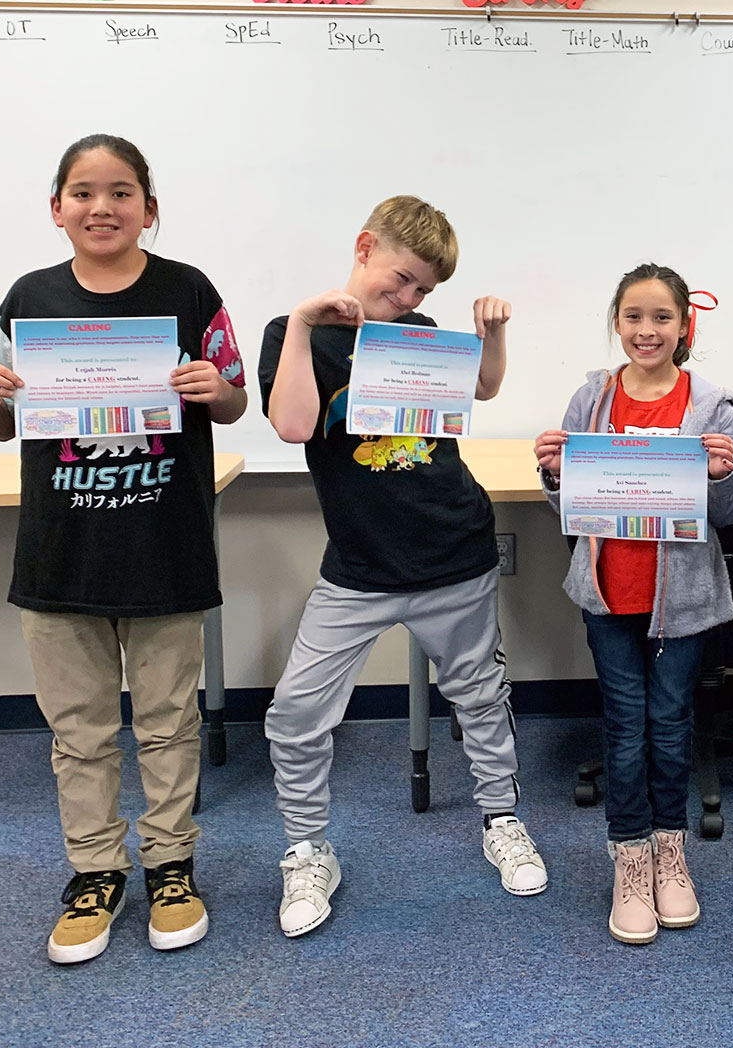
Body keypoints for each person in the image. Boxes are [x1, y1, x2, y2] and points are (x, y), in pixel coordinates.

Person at [0, 134, 247, 963]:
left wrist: (216, 390)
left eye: (122, 192)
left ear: (148, 208)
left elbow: (232, 401)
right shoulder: (29, 298)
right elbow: (2, 415)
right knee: (78, 731)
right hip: (61, 550)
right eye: (83, 193)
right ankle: (94, 872)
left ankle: (170, 864)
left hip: (167, 544)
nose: (102, 207)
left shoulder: (188, 291)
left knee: (167, 724)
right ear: (57, 209)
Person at [256, 195, 545, 938]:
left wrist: (491, 337)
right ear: (363, 247)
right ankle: (309, 850)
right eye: (403, 279)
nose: (411, 299)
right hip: (360, 567)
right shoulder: (297, 337)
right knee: (295, 716)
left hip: (455, 549)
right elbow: (292, 426)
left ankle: (502, 822)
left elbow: (480, 388)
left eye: (424, 291)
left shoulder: (420, 334)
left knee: (479, 697)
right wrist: (298, 325)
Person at [536, 264, 733, 944]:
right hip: (608, 593)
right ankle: (629, 854)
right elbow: (568, 507)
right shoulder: (591, 399)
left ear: (685, 324)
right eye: (633, 316)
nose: (646, 330)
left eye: (661, 317)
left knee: (670, 721)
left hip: (681, 600)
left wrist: (719, 475)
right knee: (624, 728)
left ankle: (669, 848)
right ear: (616, 322)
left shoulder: (711, 402)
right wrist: (550, 475)